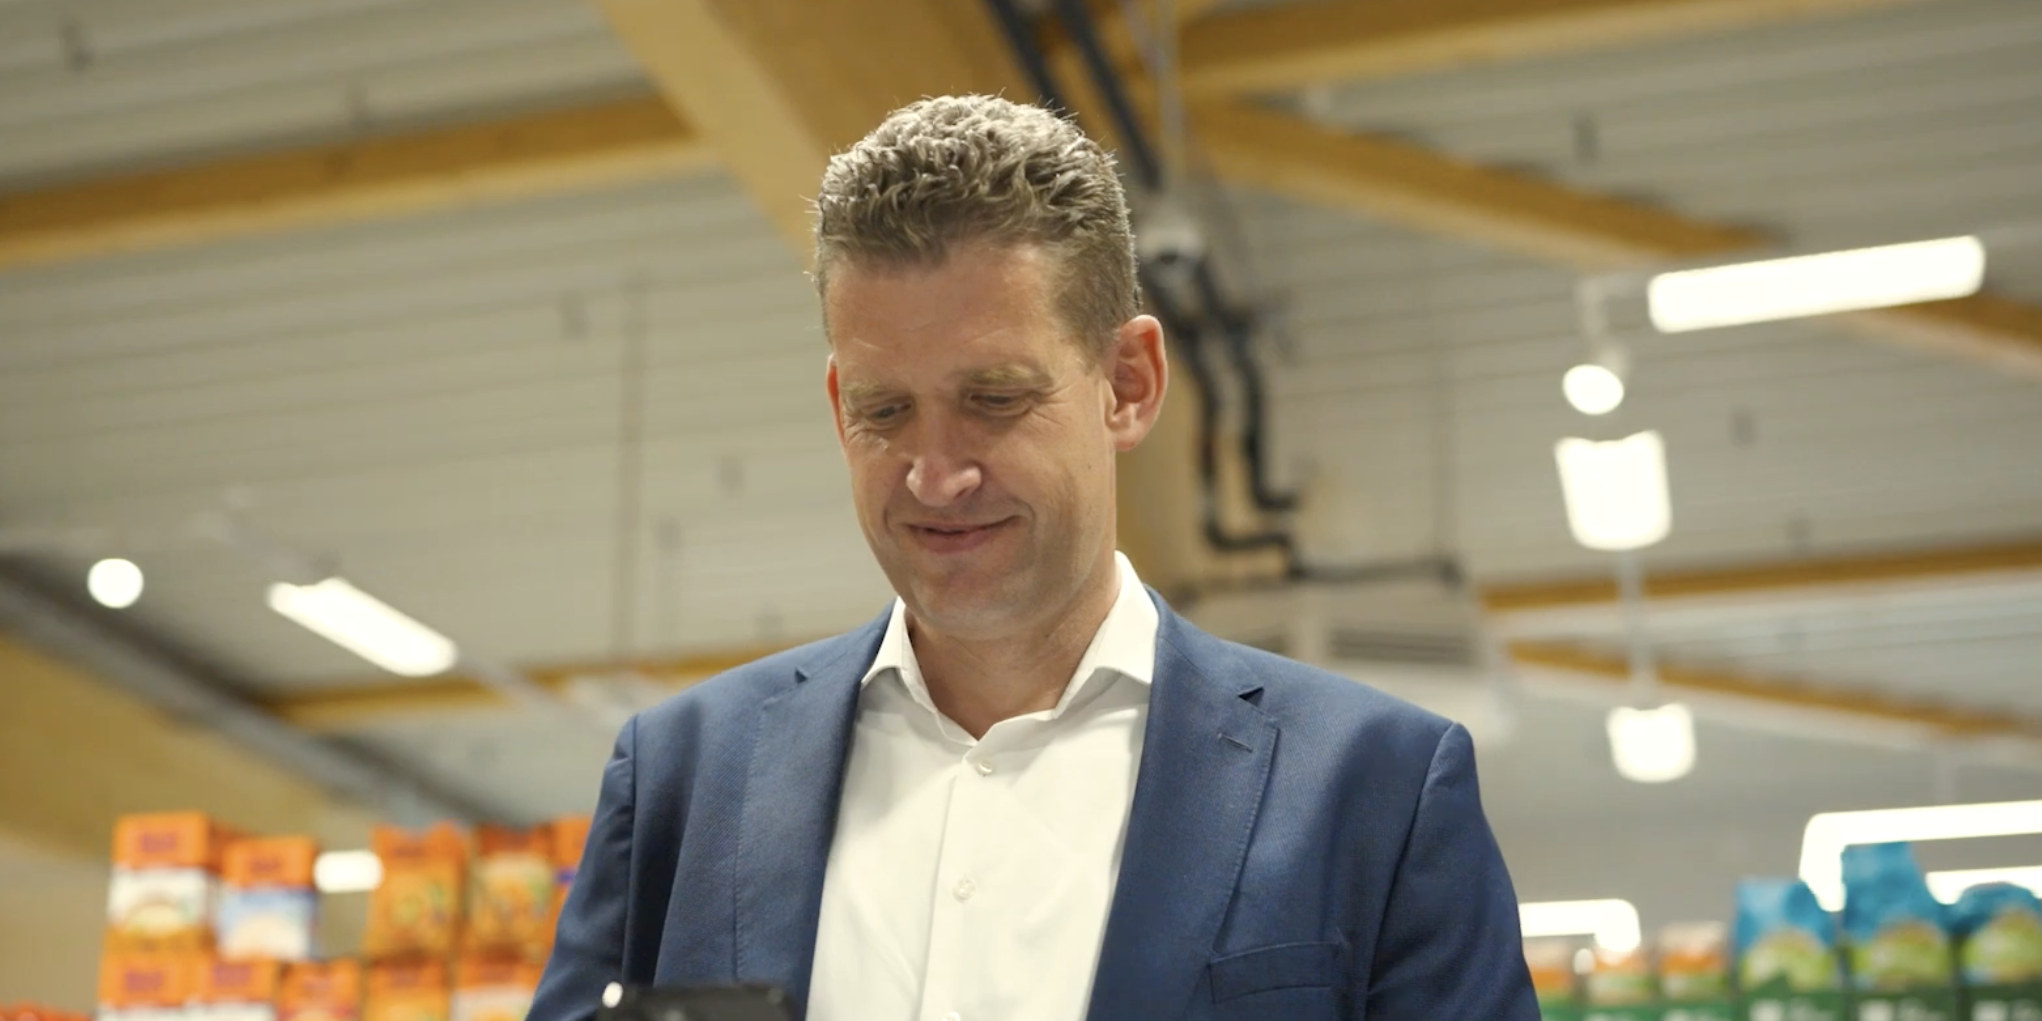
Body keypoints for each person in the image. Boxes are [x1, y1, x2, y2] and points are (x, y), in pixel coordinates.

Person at [527, 95, 1538, 1021]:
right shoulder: (682, 781)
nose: (933, 474)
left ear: (1128, 383)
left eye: (994, 399)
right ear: (839, 410)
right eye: (885, 412)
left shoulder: (1375, 792)